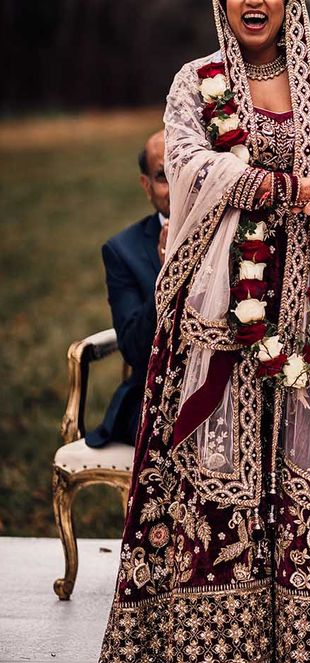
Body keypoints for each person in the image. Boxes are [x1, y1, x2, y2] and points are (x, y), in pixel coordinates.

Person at [96, 0, 310, 663]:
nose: (255, 1)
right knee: (217, 473)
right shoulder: (195, 82)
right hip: (223, 317)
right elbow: (191, 171)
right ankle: (219, 648)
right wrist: (284, 188)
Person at [86, 131, 169, 449]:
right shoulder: (122, 250)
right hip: (155, 398)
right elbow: (134, 349)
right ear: (146, 186)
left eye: (184, 168)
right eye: (163, 176)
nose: (177, 184)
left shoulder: (236, 231)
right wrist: (166, 274)